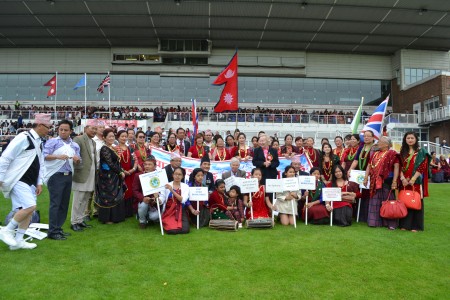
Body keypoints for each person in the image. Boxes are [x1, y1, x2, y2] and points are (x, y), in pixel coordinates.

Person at [0, 113, 50, 250]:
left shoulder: (39, 141)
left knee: (26, 211)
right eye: (48, 127)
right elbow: (5, 158)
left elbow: (40, 163)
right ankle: (6, 230)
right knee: (30, 206)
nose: (49, 130)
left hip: (31, 182)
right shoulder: (23, 138)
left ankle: (18, 241)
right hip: (18, 179)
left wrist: (39, 182)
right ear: (40, 125)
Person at [43, 119, 81, 240]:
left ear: (71, 131)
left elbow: (79, 159)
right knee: (55, 203)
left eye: (65, 130)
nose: (63, 132)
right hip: (56, 175)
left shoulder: (74, 145)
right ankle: (53, 231)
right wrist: (57, 156)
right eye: (61, 129)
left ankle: (58, 228)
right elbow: (44, 156)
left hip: (68, 175)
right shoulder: (52, 142)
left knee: (64, 204)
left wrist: (77, 160)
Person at [363, 136, 400, 230]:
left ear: (386, 144)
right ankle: (374, 222)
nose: (377, 143)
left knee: (388, 201)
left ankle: (390, 223)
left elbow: (396, 167)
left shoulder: (392, 153)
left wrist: (395, 181)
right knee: (375, 200)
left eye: (379, 142)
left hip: (387, 180)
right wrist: (366, 177)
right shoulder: (375, 154)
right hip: (374, 181)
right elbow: (369, 166)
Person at [399, 132, 431, 232]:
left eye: (412, 138)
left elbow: (422, 166)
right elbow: (398, 166)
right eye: (408, 138)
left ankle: (416, 226)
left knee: (415, 202)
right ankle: (404, 225)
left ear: (416, 139)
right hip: (404, 181)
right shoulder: (402, 151)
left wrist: (413, 179)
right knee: (404, 201)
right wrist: (403, 178)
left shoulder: (421, 151)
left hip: (415, 181)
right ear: (405, 139)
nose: (410, 140)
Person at [95, 128, 126, 224]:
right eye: (110, 136)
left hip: (114, 175)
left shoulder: (112, 147)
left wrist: (120, 171)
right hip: (107, 176)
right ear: (104, 138)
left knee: (116, 195)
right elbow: (110, 163)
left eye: (113, 136)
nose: (112, 138)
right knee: (108, 197)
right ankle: (107, 218)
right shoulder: (104, 148)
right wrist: (120, 172)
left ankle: (116, 217)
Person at [70, 125, 97, 232]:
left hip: (91, 174)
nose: (94, 130)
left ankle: (80, 220)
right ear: (86, 129)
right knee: (78, 199)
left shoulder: (93, 142)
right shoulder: (78, 139)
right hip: (81, 174)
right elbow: (73, 154)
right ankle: (74, 222)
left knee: (85, 199)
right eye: (92, 128)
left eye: (95, 129)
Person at [133, 157, 161, 229]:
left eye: (149, 164)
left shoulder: (159, 175)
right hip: (143, 201)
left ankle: (147, 217)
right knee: (143, 205)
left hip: (154, 203)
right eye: (145, 164)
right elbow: (135, 190)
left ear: (155, 166)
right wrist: (143, 198)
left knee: (155, 217)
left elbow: (162, 190)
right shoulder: (138, 176)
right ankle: (142, 221)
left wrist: (157, 197)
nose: (147, 166)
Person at [160, 167, 190, 234]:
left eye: (179, 174)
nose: (177, 176)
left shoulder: (185, 187)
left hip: (180, 210)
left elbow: (182, 200)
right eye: (176, 174)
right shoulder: (167, 185)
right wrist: (158, 200)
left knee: (185, 230)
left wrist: (172, 190)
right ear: (173, 175)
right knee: (171, 231)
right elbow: (162, 198)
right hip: (169, 210)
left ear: (182, 176)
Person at [116, 130, 138, 217]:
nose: (124, 138)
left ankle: (129, 212)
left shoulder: (130, 148)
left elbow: (135, 160)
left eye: (125, 136)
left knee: (130, 192)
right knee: (121, 192)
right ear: (118, 137)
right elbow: (115, 163)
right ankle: (121, 212)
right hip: (120, 174)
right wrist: (122, 171)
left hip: (130, 174)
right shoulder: (115, 148)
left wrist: (132, 169)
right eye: (122, 136)